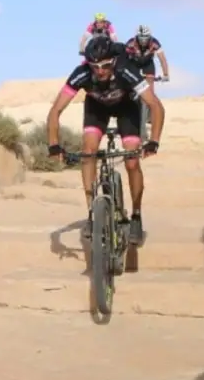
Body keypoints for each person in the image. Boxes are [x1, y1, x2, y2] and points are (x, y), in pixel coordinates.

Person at [46, 36, 165, 244]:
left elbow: (156, 106)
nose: (100, 71)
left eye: (106, 66)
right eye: (95, 67)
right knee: (88, 152)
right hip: (96, 109)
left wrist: (154, 140)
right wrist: (53, 144)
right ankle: (93, 212)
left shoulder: (125, 69)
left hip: (126, 108)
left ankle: (136, 215)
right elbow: (56, 110)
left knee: (132, 161)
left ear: (114, 61)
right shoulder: (81, 74)